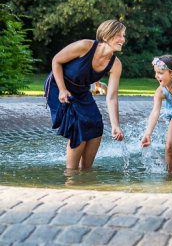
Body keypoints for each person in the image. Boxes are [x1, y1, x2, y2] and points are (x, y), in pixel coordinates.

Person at [44, 19, 126, 170]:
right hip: (58, 84)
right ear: (106, 36)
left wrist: (115, 125)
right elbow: (56, 61)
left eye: (123, 36)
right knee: (78, 126)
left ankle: (86, 172)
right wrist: (62, 89)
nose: (123, 39)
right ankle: (71, 175)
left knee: (96, 126)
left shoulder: (115, 64)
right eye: (119, 35)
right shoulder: (85, 46)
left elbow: (112, 96)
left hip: (81, 90)